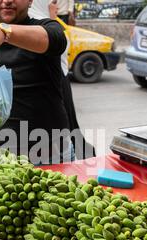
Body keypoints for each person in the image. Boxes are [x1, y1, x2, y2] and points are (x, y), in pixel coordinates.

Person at [0, 0, 71, 164]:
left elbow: (56, 39)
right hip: (2, 158)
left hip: (52, 155)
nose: (7, 1)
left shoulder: (47, 27)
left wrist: (4, 32)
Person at [29, 0, 95, 159]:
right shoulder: (36, 27)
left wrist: (52, 17)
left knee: (70, 132)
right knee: (69, 132)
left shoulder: (49, 25)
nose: (56, 5)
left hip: (60, 82)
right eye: (52, 2)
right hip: (56, 85)